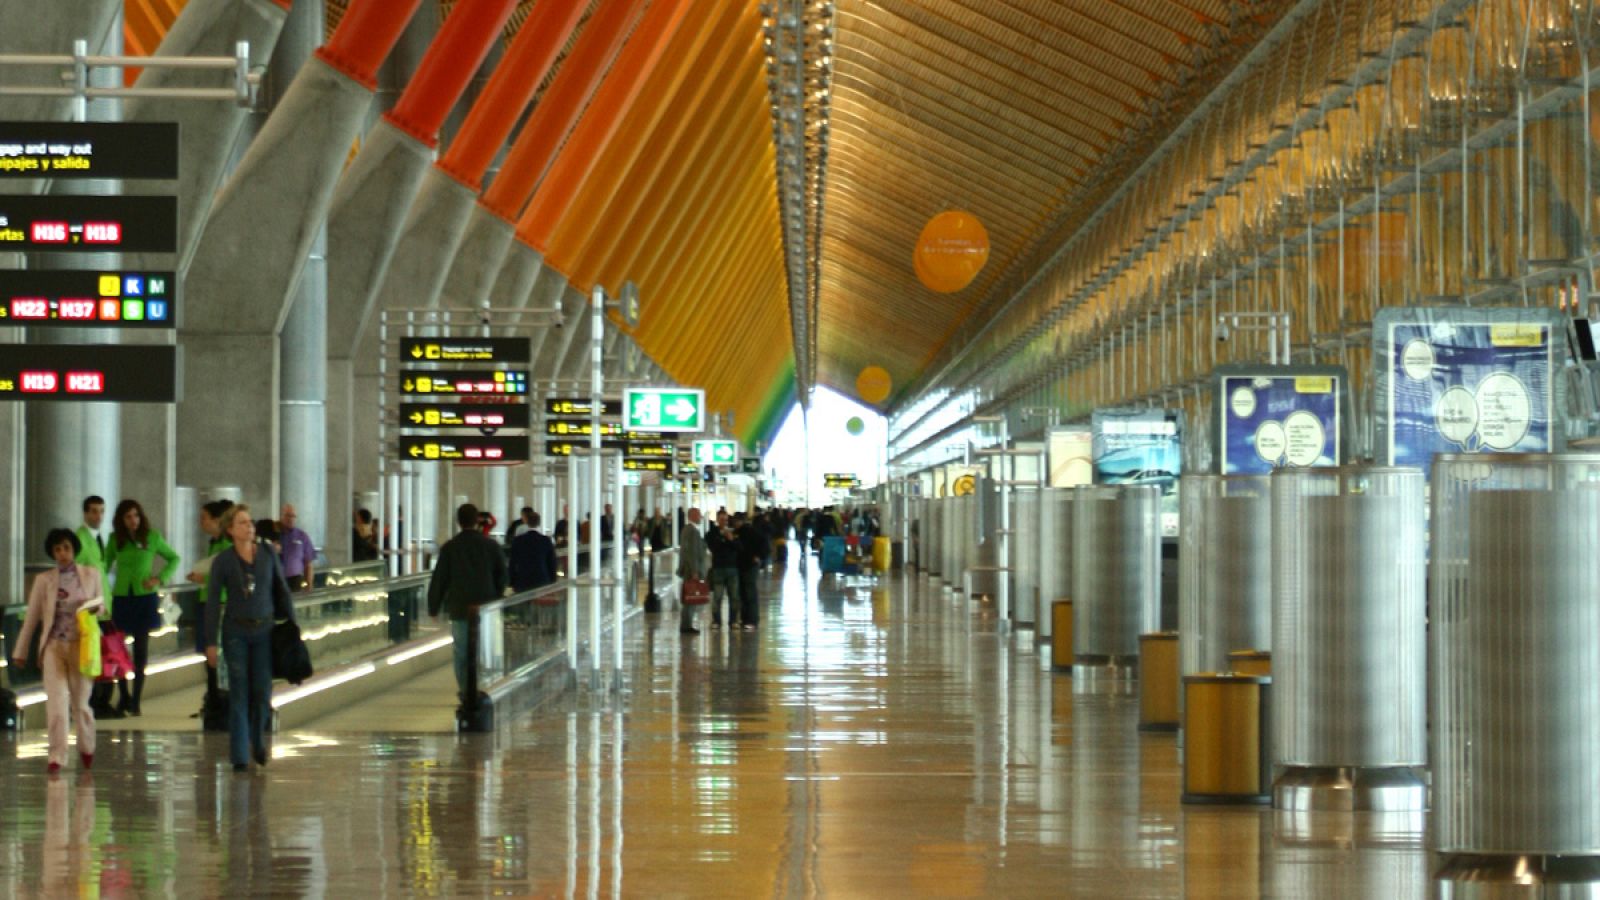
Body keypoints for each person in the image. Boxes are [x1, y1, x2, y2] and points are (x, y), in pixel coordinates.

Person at [204, 505, 294, 772]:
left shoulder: (267, 554)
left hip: (264, 631)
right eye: (242, 523)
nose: (249, 527)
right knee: (239, 691)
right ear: (231, 530)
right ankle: (240, 755)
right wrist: (211, 641)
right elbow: (211, 602)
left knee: (261, 691)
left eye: (250, 522)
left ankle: (257, 739)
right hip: (235, 633)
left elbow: (281, 588)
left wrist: (292, 625)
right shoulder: (223, 561)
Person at [12, 529, 105, 773]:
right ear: (52, 553)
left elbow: (101, 604)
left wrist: (96, 608)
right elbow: (32, 617)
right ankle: (57, 756)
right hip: (54, 646)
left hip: (82, 647)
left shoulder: (91, 575)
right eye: (57, 549)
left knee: (81, 704)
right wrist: (20, 650)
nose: (62, 554)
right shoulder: (44, 581)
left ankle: (87, 749)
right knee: (56, 705)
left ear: (73, 549)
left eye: (66, 548)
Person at [105, 499, 180, 717]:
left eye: (136, 515)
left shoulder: (152, 537)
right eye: (128, 516)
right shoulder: (115, 540)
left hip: (144, 598)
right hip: (121, 598)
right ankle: (123, 695)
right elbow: (105, 564)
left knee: (141, 651)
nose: (133, 520)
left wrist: (159, 578)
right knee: (117, 651)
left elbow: (174, 558)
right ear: (121, 519)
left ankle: (136, 699)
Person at [427, 504, 508, 706]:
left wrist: (433, 607)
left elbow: (440, 579)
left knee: (461, 651)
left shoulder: (450, 547)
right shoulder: (490, 546)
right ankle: (482, 687)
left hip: (460, 608)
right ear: (477, 521)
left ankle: (465, 691)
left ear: (458, 522)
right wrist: (496, 596)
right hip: (486, 608)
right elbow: (502, 575)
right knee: (484, 648)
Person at [187, 499, 234, 713]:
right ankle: (213, 697)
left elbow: (225, 577)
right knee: (209, 653)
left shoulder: (226, 545)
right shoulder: (213, 544)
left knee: (217, 653)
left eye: (204, 518)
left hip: (220, 603)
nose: (201, 522)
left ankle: (218, 699)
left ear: (216, 521)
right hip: (206, 601)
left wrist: (203, 579)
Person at [705, 510, 741, 629]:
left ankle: (733, 620)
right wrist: (722, 539)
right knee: (717, 596)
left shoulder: (734, 532)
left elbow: (739, 547)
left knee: (734, 596)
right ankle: (716, 620)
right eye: (721, 519)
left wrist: (730, 539)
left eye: (726, 520)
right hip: (718, 569)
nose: (724, 522)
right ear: (717, 520)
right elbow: (713, 547)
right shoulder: (712, 533)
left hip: (733, 568)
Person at [508, 512, 558, 593]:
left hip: (522, 580)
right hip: (542, 580)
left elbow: (512, 563)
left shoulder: (518, 540)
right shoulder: (545, 540)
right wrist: (553, 580)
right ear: (539, 523)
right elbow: (552, 562)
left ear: (527, 522)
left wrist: (512, 582)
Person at [676, 508, 707, 635]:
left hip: (688, 569)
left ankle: (686, 624)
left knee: (688, 598)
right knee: (691, 598)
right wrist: (695, 571)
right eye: (699, 515)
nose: (700, 517)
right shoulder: (692, 531)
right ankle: (686, 625)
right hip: (691, 570)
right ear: (693, 516)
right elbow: (692, 553)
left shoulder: (686, 530)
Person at [735, 514, 765, 630]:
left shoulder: (747, 532)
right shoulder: (741, 532)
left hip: (748, 566)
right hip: (746, 566)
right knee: (745, 593)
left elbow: (763, 545)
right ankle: (747, 619)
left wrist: (758, 556)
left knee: (748, 593)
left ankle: (750, 619)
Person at [277, 504, 316, 591]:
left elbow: (308, 564)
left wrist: (309, 585)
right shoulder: (275, 534)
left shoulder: (302, 536)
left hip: (294, 580)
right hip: (276, 580)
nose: (290, 519)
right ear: (281, 516)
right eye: (288, 515)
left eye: (293, 516)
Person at [74, 495, 108, 573]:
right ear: (85, 514)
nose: (99, 516)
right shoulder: (79, 538)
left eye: (102, 511)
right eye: (94, 511)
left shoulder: (98, 536)